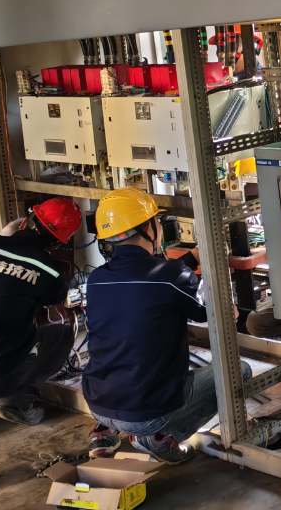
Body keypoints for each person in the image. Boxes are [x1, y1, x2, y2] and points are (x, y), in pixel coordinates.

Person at [83, 188, 246, 463]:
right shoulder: (171, 277)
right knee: (240, 371)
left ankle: (105, 433)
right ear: (149, 228)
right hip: (144, 413)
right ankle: (158, 437)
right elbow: (208, 312)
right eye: (157, 222)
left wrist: (190, 259)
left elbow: (151, 280)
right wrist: (227, 306)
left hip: (98, 402)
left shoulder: (97, 279)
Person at [0, 197, 82, 430]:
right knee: (61, 334)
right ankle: (16, 400)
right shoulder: (46, 270)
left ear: (25, 220)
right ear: (60, 242)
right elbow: (57, 299)